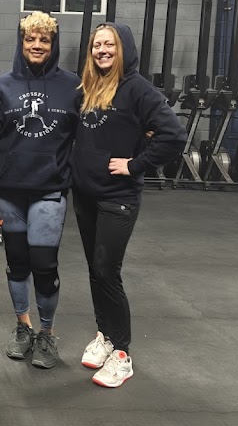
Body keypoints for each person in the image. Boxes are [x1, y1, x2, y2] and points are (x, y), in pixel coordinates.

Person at [71, 22, 186, 387]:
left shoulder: (139, 90)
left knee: (108, 271)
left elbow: (174, 135)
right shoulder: (89, 87)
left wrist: (136, 165)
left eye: (109, 45)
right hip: (86, 195)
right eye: (97, 45)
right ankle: (105, 335)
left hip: (117, 197)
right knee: (95, 269)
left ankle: (122, 353)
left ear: (123, 49)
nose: (102, 50)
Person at [0, 11, 79, 369]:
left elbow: (88, 136)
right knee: (17, 263)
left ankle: (46, 333)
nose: (37, 45)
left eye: (44, 40)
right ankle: (24, 327)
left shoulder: (72, 86)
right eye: (30, 39)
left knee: (44, 265)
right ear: (22, 43)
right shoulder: (1, 87)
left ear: (53, 44)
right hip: (10, 193)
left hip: (49, 191)